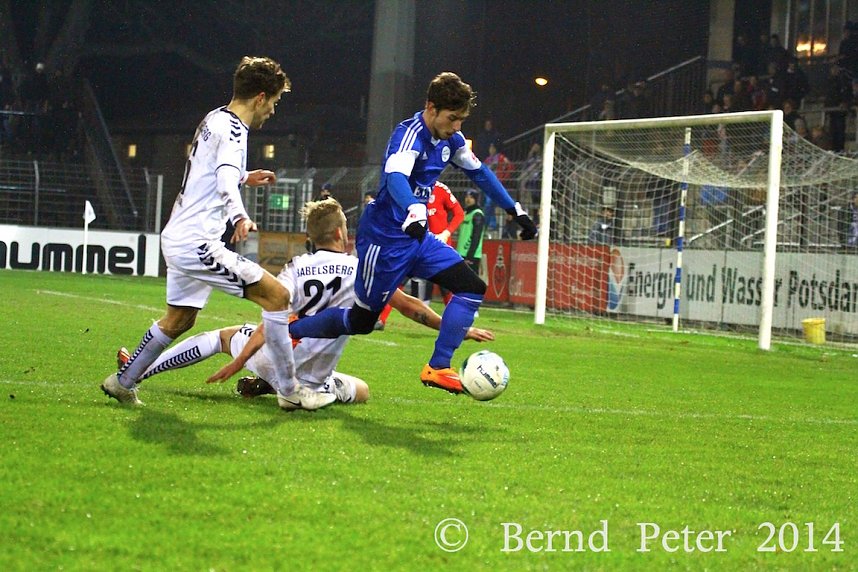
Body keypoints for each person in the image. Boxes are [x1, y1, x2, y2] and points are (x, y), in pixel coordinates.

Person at [100, 56, 335, 412]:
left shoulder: (214, 118)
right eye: (273, 102)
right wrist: (239, 214)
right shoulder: (236, 131)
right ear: (260, 97)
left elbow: (212, 172)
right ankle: (290, 391)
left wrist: (245, 176)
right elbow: (223, 179)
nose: (272, 111)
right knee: (277, 297)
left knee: (180, 319)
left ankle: (122, 382)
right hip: (198, 242)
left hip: (178, 234)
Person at [289, 72, 537, 394]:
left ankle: (438, 367)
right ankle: (292, 328)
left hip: (417, 238)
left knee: (471, 286)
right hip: (384, 240)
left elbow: (481, 174)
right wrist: (414, 209)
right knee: (362, 322)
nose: (457, 127)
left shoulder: (452, 140)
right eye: (452, 118)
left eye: (462, 119)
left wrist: (514, 210)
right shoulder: (409, 135)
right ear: (431, 108)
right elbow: (395, 177)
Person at [122, 199, 495, 403]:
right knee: (362, 392)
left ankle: (144, 369)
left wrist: (240, 359)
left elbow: (274, 316)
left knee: (223, 336)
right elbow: (412, 307)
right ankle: (301, 390)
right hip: (314, 379)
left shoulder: (296, 267)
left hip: (278, 361)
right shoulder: (359, 268)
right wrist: (459, 327)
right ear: (339, 232)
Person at [456, 190, 485, 275]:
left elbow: (476, 236)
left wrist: (470, 255)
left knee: (470, 283)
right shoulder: (465, 213)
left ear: (476, 199)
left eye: (471, 197)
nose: (468, 199)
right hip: (461, 253)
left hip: (471, 255)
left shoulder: (477, 214)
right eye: (467, 197)